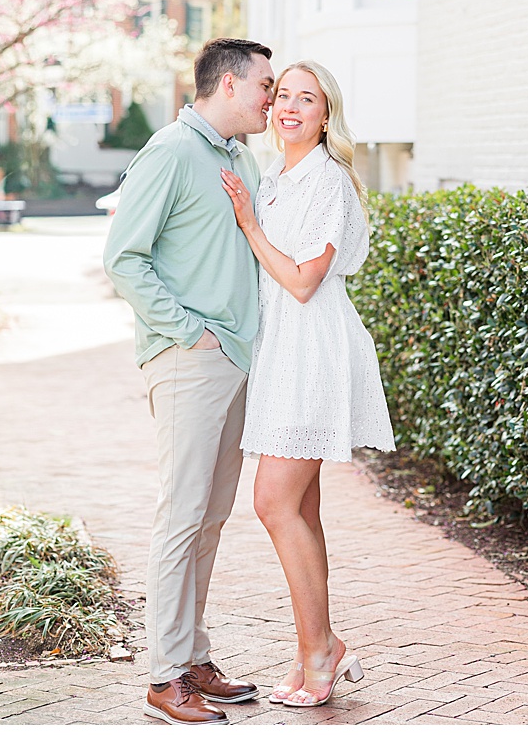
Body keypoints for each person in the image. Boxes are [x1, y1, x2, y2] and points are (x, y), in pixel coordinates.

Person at [104, 38, 276, 726]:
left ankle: (194, 656)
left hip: (237, 357)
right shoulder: (172, 151)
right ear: (229, 84)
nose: (271, 96)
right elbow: (123, 257)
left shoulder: (238, 157)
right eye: (265, 84)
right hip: (190, 358)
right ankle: (163, 676)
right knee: (180, 516)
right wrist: (186, 330)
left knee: (209, 516)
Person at [218, 59, 396, 709]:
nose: (291, 107)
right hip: (280, 349)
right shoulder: (275, 173)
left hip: (312, 348)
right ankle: (316, 650)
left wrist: (251, 227)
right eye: (284, 95)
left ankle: (321, 651)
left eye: (307, 99)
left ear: (327, 114)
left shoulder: (328, 180)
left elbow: (300, 281)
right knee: (302, 509)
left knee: (274, 503)